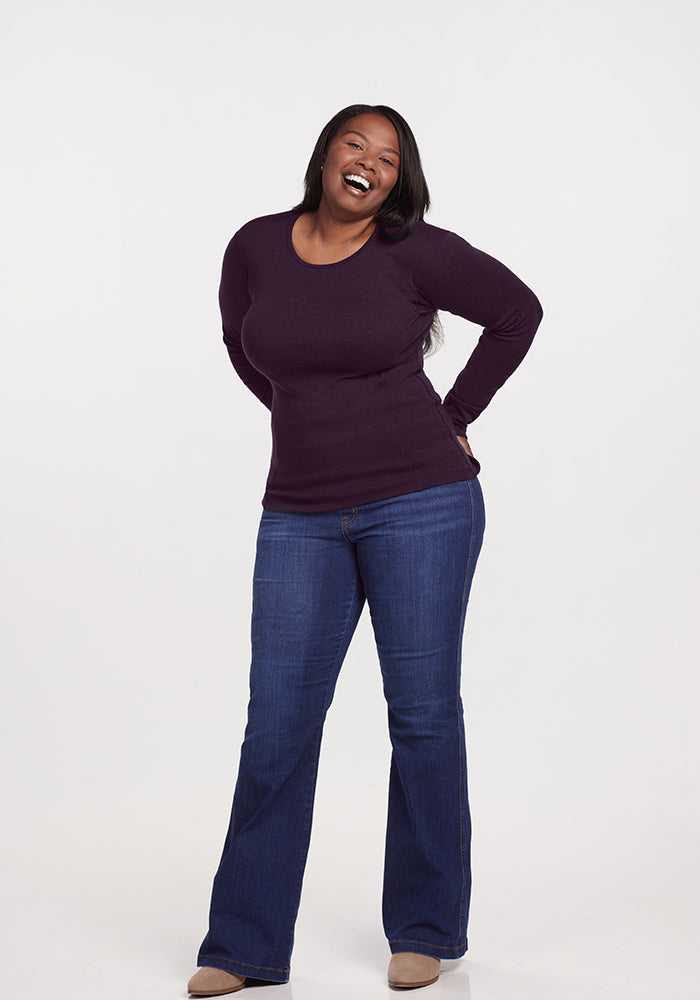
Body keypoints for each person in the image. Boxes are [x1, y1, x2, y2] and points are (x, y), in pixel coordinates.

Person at [187, 103, 543, 996]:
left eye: (388, 157)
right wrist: (304, 414)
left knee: (421, 716)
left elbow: (516, 311)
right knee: (276, 725)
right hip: (299, 513)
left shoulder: (412, 251)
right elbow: (242, 344)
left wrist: (452, 418)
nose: (369, 164)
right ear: (325, 154)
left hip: (422, 502)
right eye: (357, 144)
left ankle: (426, 929)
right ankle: (242, 946)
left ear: (396, 180)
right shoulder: (255, 248)